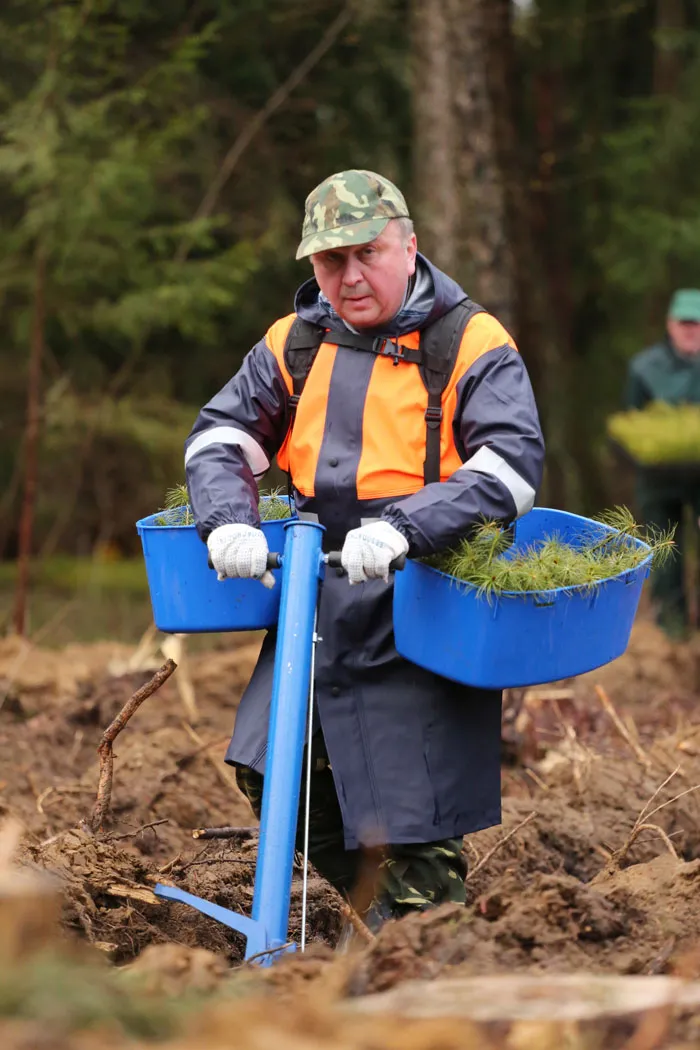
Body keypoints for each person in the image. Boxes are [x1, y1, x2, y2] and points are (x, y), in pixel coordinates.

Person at [185, 169, 545, 930]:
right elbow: (221, 438)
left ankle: (425, 952)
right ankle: (378, 924)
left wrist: (409, 525)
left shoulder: (469, 341)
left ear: (408, 246)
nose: (348, 277)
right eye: (329, 261)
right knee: (273, 767)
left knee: (413, 811)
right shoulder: (296, 341)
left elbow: (510, 468)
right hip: (315, 599)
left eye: (367, 254)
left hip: (425, 600)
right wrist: (228, 521)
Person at [624, 288, 700, 637]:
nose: (691, 330)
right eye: (685, 323)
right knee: (666, 552)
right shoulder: (645, 368)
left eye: (697, 323)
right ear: (671, 325)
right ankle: (672, 630)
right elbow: (630, 423)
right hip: (659, 478)